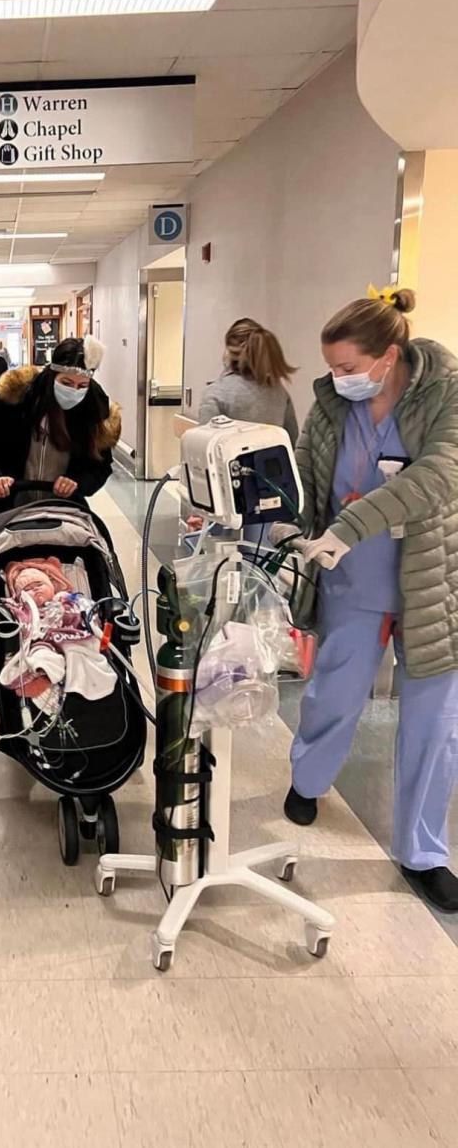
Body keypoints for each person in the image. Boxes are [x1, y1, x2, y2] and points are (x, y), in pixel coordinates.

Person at [278, 286, 458, 912]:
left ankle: (425, 852)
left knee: (433, 724)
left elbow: (437, 478)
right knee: (335, 689)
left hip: (432, 580)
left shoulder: (445, 394)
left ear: (390, 354)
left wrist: (348, 526)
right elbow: (306, 472)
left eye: (349, 367)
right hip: (352, 577)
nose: (339, 378)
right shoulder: (332, 404)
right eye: (332, 368)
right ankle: (308, 779)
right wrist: (281, 521)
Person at [0, 335, 121, 511]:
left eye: (82, 386)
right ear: (52, 375)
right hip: (10, 506)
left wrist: (78, 482)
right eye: (66, 382)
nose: (73, 391)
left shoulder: (94, 411)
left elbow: (100, 466)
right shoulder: (16, 400)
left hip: (63, 510)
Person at [198, 317, 299, 445]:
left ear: (228, 352)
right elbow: (292, 442)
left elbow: (203, 450)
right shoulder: (278, 392)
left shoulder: (216, 394)